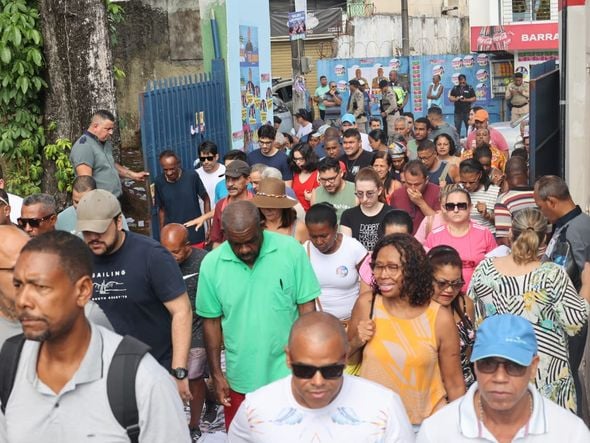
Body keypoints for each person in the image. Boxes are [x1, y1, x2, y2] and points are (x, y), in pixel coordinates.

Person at [0, 231, 190, 442]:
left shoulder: (144, 381)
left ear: (82, 291)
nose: (23, 300)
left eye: (41, 287)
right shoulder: (10, 365)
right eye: (18, 285)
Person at [196, 201, 320, 429]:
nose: (244, 249)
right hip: (241, 377)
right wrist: (216, 373)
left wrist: (309, 363)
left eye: (250, 241)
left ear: (261, 226)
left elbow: (307, 310)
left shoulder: (291, 251)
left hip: (289, 375)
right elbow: (211, 322)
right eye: (236, 244)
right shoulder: (211, 264)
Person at [468, 208, 589, 412]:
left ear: (510, 234)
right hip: (546, 376)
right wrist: (586, 286)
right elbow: (575, 322)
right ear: (544, 241)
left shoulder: (485, 270)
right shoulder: (551, 275)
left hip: (499, 372)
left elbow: (476, 319)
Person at [77, 189, 193, 401]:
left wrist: (178, 370)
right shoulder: (78, 259)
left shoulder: (152, 256)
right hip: (101, 378)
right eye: (87, 231)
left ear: (118, 222)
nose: (93, 237)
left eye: (100, 230)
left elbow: (181, 311)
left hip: (154, 372)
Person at [228, 311, 414, 442]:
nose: (318, 382)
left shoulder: (384, 406)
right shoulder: (255, 409)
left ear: (345, 359)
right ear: (289, 358)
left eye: (331, 371)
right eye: (305, 370)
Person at [350, 234, 466, 427]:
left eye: (393, 267)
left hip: (423, 427)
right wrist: (356, 341)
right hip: (373, 424)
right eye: (378, 266)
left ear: (413, 270)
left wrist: (460, 429)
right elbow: (348, 361)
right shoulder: (367, 304)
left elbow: (454, 383)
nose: (383, 274)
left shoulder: (439, 317)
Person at [417, 314, 590, 442]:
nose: (500, 377)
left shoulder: (570, 433)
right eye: (488, 364)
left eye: (514, 365)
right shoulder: (436, 432)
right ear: (475, 365)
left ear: (533, 366)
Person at [534, 175, 590, 413]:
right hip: (561, 310)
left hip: (570, 312)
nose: (541, 212)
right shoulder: (566, 225)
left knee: (566, 372)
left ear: (552, 201)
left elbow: (579, 272)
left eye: (540, 206)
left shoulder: (577, 229)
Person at [160, 224, 208, 440]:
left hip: (198, 325)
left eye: (176, 251)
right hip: (168, 328)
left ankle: (194, 423)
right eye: (166, 250)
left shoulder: (204, 261)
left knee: (194, 375)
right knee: (169, 379)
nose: (171, 256)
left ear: (187, 246)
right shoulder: (158, 261)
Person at [304, 204, 368, 321]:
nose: (319, 241)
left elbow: (367, 290)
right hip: (320, 324)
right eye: (313, 236)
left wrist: (359, 320)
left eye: (324, 236)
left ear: (335, 228)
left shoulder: (354, 248)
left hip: (351, 322)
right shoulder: (304, 251)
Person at [426, 188, 496, 291]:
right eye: (450, 206)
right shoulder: (434, 236)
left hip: (479, 297)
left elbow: (495, 268)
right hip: (444, 297)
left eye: (461, 206)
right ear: (445, 209)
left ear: (470, 207)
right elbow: (426, 271)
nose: (456, 210)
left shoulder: (484, 233)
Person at [69, 110, 148, 198]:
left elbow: (109, 164)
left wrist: (133, 175)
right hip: (102, 203)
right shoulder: (84, 147)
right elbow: (86, 184)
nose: (111, 132)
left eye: (112, 129)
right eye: (108, 129)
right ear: (95, 126)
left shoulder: (104, 142)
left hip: (114, 199)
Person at [427, 246, 475, 388]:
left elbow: (469, 352)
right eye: (442, 283)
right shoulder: (418, 311)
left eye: (456, 284)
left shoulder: (465, 304)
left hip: (465, 386)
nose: (449, 290)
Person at [155, 150, 210, 246]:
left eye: (172, 169)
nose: (169, 173)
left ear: (178, 165)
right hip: (173, 236)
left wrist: (209, 227)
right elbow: (161, 209)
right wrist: (162, 232)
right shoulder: (159, 181)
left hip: (194, 233)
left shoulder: (191, 177)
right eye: (165, 170)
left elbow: (206, 199)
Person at [340, 167, 393, 251]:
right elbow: (347, 249)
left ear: (379, 190)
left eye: (370, 193)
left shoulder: (391, 214)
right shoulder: (348, 215)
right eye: (360, 193)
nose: (364, 199)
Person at [209, 160, 254, 248]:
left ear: (248, 180)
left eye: (235, 179)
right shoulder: (220, 205)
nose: (229, 184)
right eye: (227, 179)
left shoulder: (258, 204)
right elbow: (217, 241)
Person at [494, 156, 537, 245]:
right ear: (528, 173)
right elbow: (548, 233)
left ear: (505, 176)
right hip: (542, 256)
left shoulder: (503, 200)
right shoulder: (540, 196)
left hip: (518, 255)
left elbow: (503, 240)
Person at [391, 160, 440, 235]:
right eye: (409, 183)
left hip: (429, 239)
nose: (413, 188)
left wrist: (421, 203)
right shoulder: (397, 195)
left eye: (417, 184)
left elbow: (439, 223)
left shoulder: (437, 192)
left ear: (426, 180)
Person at [252, 178, 308, 243]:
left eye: (272, 206)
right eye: (263, 206)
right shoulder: (255, 226)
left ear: (282, 206)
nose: (267, 210)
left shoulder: (299, 228)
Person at [310, 157, 357, 224]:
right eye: (323, 179)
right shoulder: (316, 193)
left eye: (331, 179)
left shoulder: (355, 190)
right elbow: (314, 222)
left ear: (341, 173)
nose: (327, 184)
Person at [459, 159, 500, 234]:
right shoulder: (458, 190)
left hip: (488, 235)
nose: (467, 185)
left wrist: (487, 215)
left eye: (471, 182)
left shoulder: (494, 191)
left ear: (479, 175)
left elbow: (502, 223)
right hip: (464, 234)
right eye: (463, 182)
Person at [289, 143, 320, 211]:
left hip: (311, 215)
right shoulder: (294, 174)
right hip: (295, 214)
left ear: (309, 158)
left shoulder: (318, 175)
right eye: (295, 159)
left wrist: (312, 198)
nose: (297, 162)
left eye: (301, 159)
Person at [196, 140, 226, 204]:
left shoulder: (225, 171)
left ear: (217, 157)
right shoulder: (196, 175)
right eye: (202, 159)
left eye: (209, 158)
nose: (206, 162)